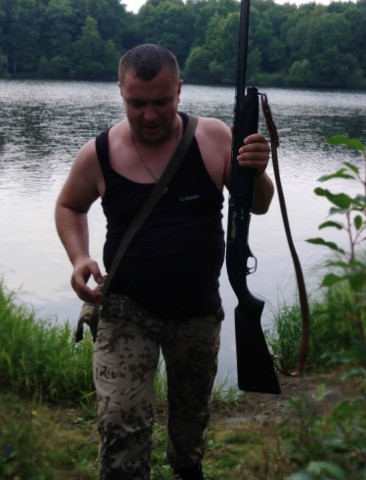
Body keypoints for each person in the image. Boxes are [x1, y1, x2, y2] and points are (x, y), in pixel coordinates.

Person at [54, 44, 274, 480]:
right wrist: (79, 257)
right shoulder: (99, 153)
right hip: (125, 309)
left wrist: (257, 170)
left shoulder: (213, 138)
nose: (150, 115)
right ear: (121, 91)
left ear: (179, 90)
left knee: (191, 419)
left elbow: (259, 204)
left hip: (197, 312)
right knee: (120, 418)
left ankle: (187, 470)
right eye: (137, 103)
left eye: (161, 101)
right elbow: (69, 206)